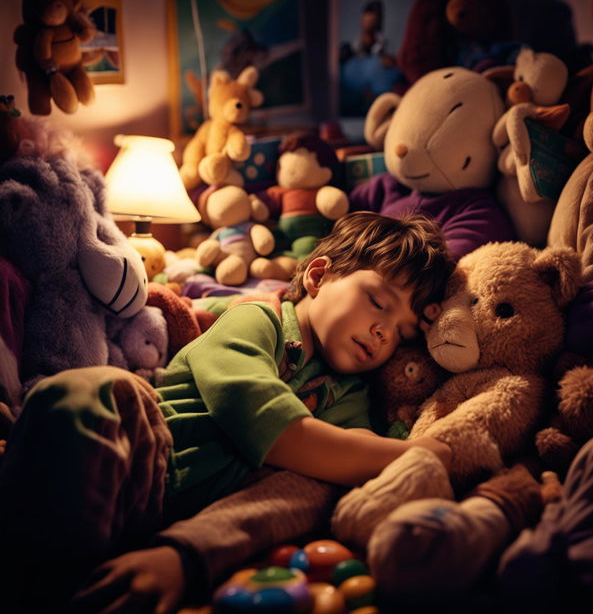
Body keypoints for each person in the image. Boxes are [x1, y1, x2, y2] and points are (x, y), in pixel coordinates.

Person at [0, 211, 454, 613]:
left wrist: (419, 443)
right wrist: (417, 453)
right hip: (143, 463)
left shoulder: (352, 393)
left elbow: (349, 460)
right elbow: (274, 427)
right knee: (94, 391)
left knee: (320, 484)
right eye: (378, 302)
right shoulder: (259, 319)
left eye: (402, 331)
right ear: (318, 276)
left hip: (205, 521)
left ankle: (178, 556)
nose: (382, 331)